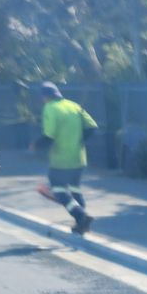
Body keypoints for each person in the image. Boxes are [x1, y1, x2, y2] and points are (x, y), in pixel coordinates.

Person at [33, 81, 98, 234]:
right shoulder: (73, 105)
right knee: (75, 189)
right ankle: (81, 224)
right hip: (79, 157)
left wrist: (36, 146)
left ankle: (81, 216)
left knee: (59, 190)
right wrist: (79, 141)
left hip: (60, 159)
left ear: (45, 97)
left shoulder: (50, 108)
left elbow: (49, 135)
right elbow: (92, 126)